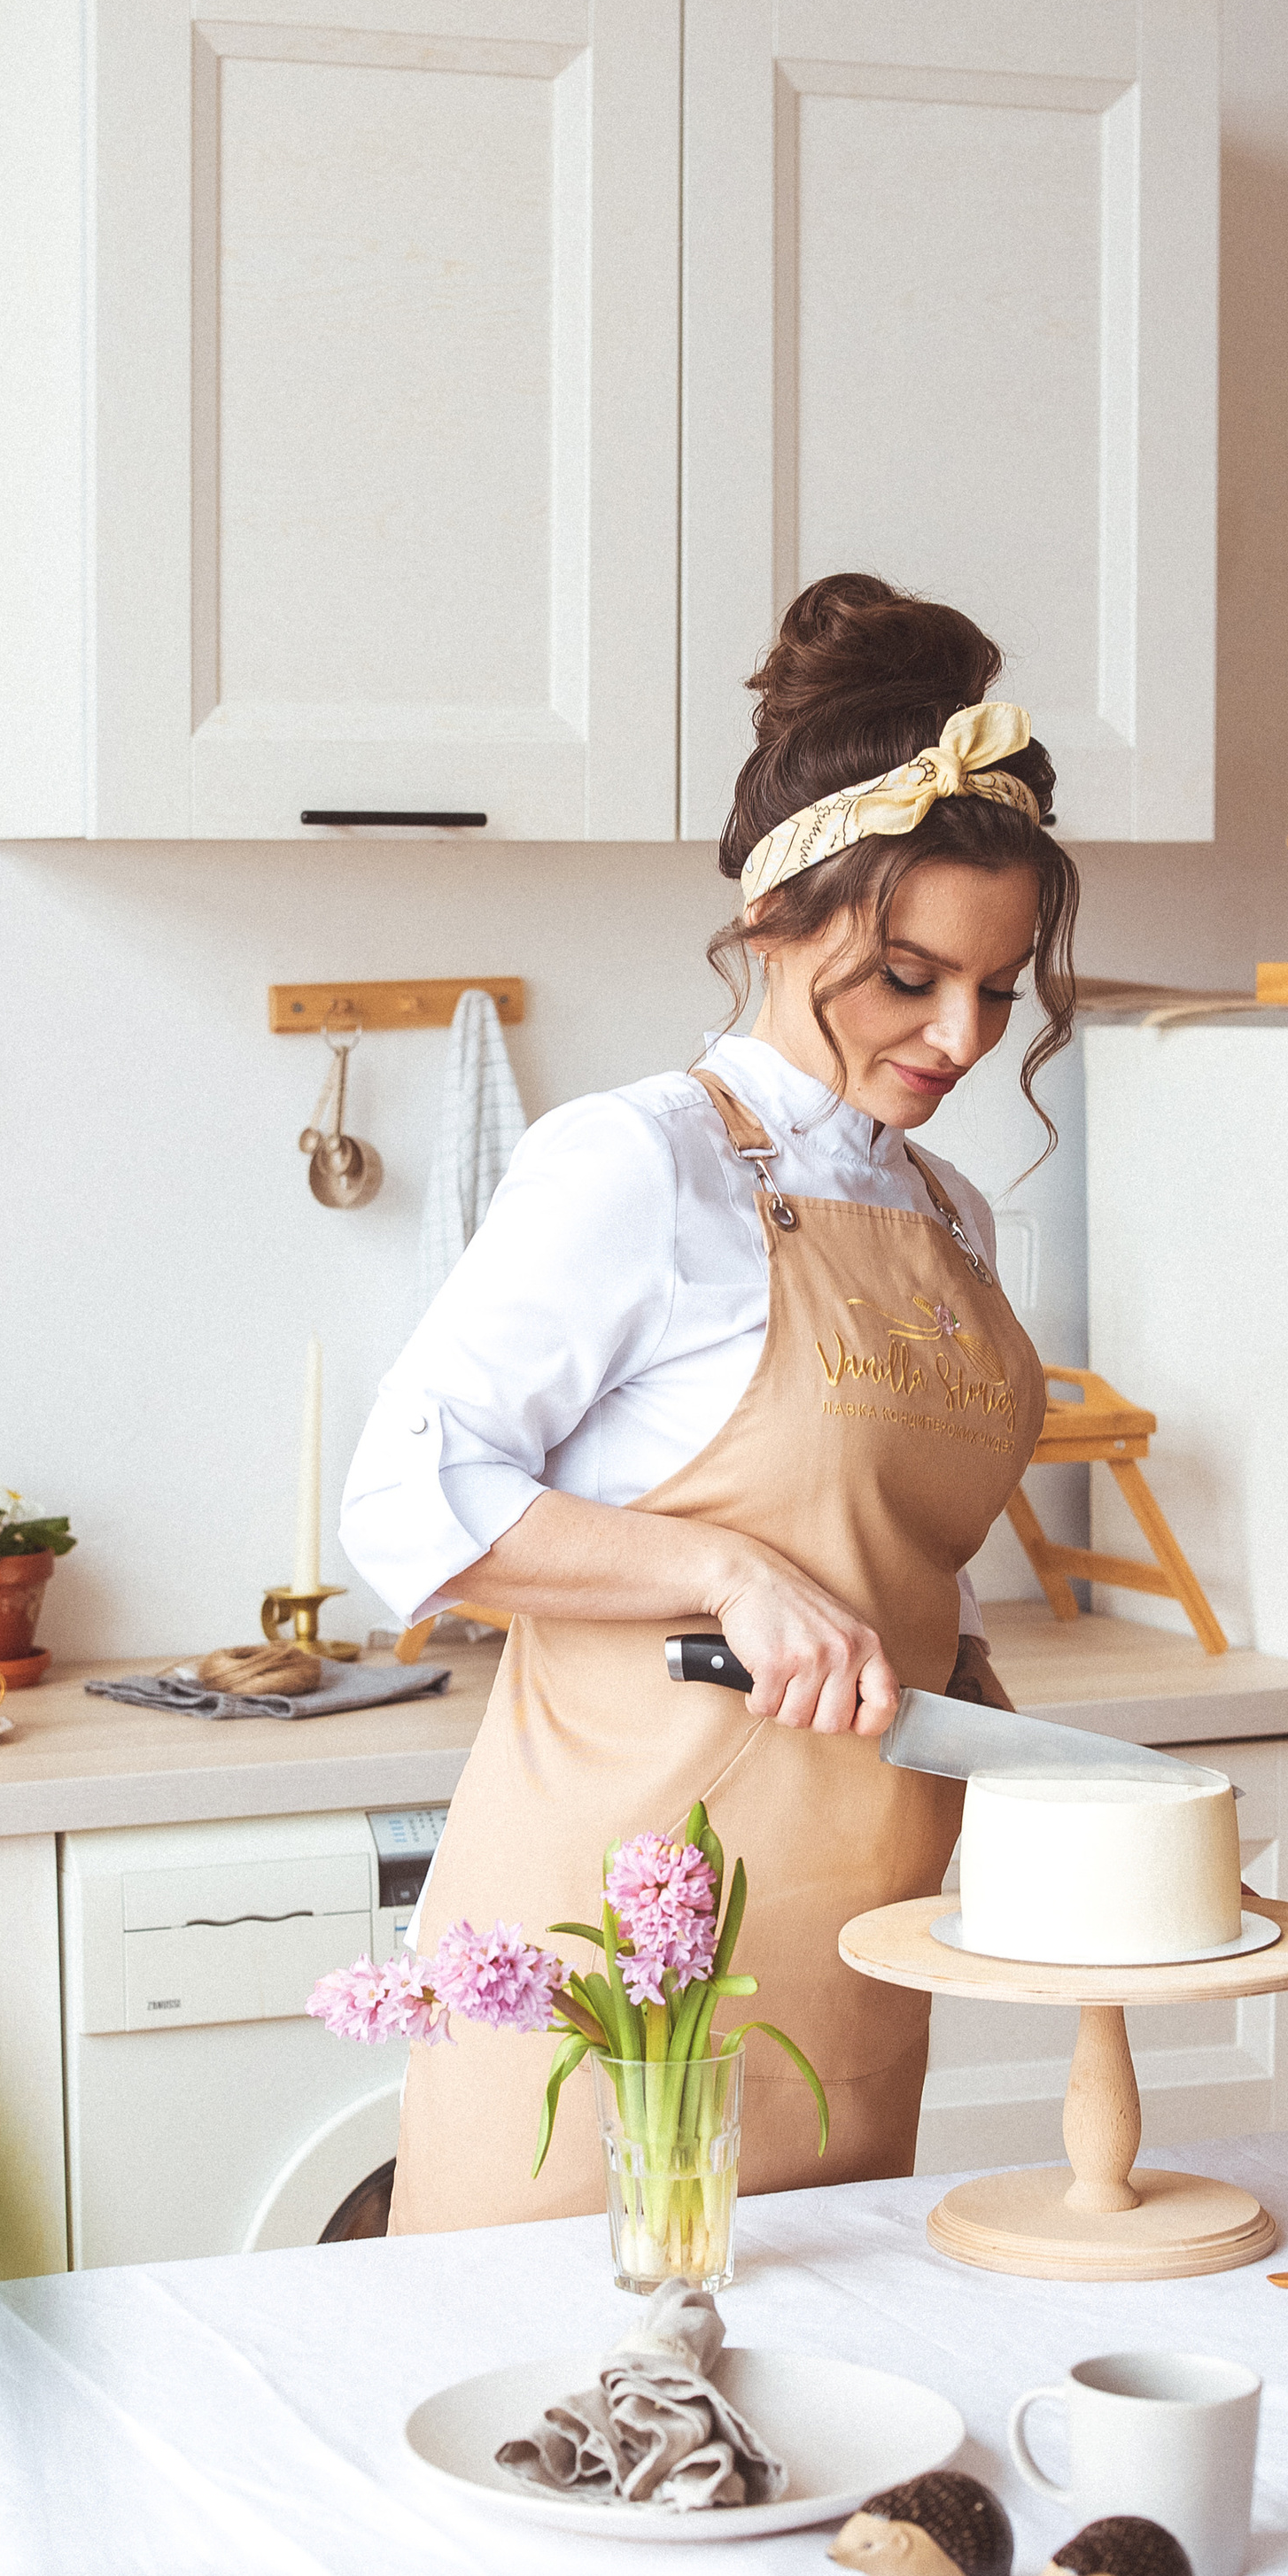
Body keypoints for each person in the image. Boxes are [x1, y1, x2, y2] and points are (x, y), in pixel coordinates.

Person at [339, 572, 1080, 2233]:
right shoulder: (639, 1161)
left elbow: (892, 1559)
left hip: (859, 1936)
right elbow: (407, 1498)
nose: (960, 1033)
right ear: (776, 923)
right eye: (906, 975)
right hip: (616, 1944)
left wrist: (999, 1726)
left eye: (998, 987)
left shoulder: (947, 1212)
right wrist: (728, 1574)